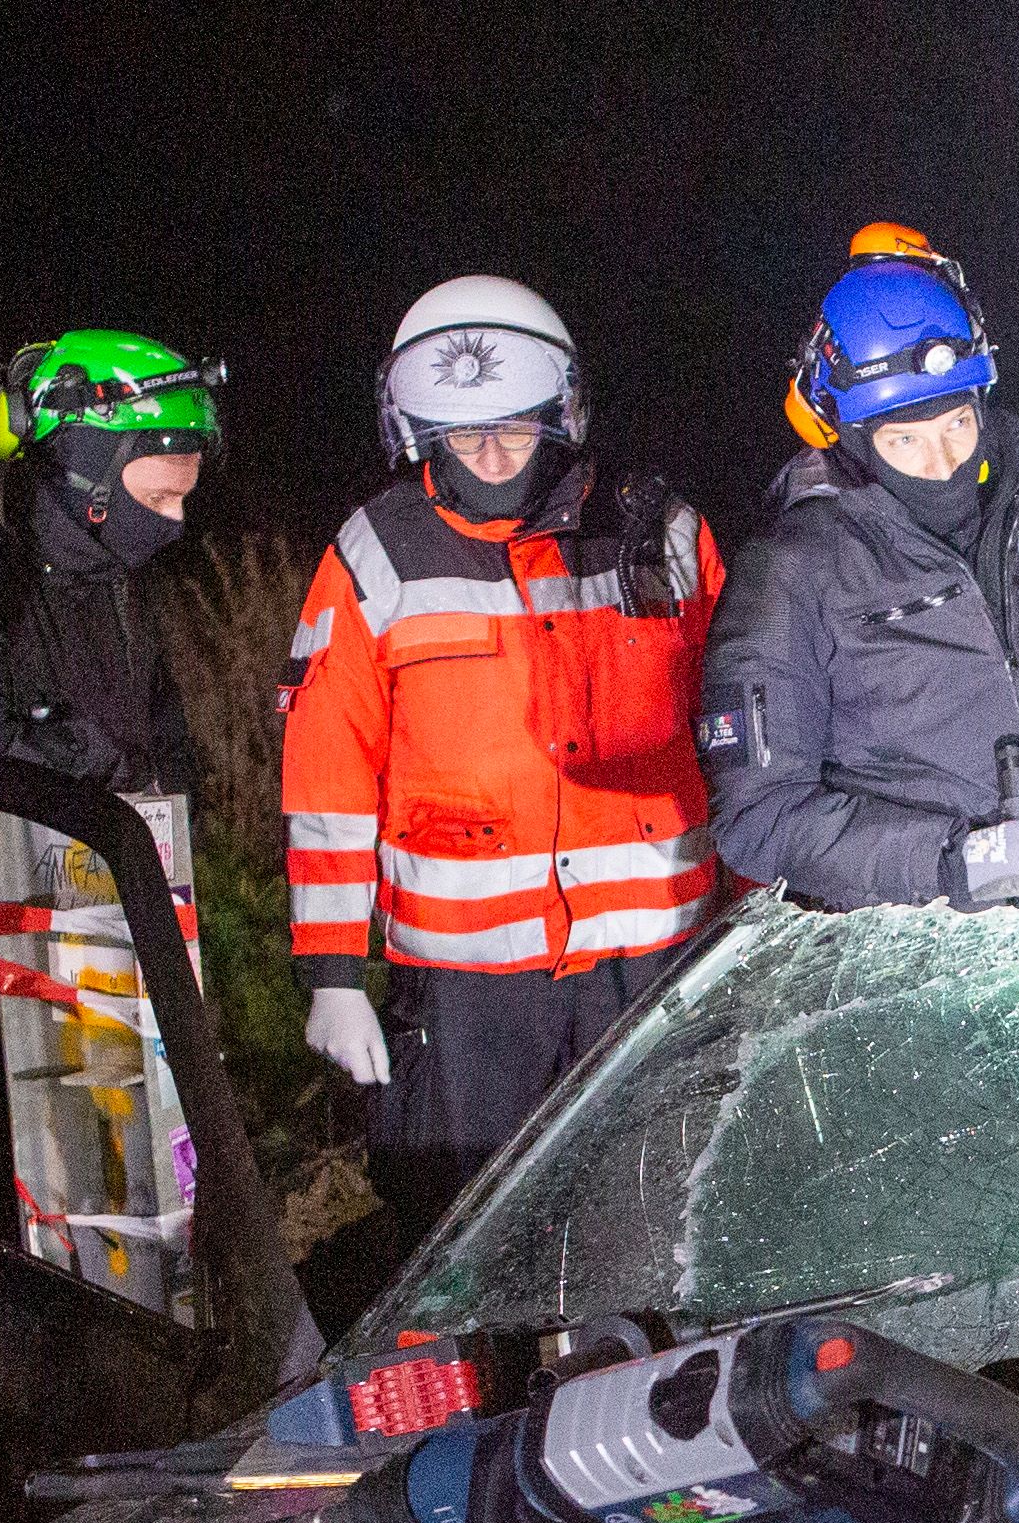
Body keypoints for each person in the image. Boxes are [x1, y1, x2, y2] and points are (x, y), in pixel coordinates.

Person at [280, 274, 727, 1231]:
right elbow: (328, 774)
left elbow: (739, 732)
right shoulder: (375, 552)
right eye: (462, 437)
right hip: (466, 985)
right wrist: (332, 973)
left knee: (658, 1217)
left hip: (654, 962)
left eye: (516, 431)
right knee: (466, 1232)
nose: (490, 457)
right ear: (418, 434)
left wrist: (755, 917)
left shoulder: (664, 533)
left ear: (562, 416)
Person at [701, 232, 1019, 918]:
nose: (942, 461)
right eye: (903, 440)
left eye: (957, 423)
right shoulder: (795, 568)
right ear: (853, 439)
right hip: (927, 961)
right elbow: (759, 817)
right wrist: (950, 861)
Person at [0, 328, 226, 791]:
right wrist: (101, 767)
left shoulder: (125, 580)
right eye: (157, 497)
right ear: (84, 474)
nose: (174, 523)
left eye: (183, 498)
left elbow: (164, 737)